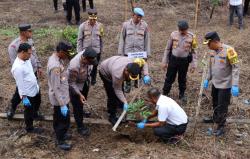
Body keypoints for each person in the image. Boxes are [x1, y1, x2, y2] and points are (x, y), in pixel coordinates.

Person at [203, 31, 240, 136]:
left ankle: (221, 127)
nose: (208, 46)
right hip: (215, 83)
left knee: (222, 106)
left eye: (209, 44)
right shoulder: (213, 51)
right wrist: (207, 79)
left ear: (215, 41)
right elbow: (211, 67)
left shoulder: (229, 50)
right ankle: (215, 118)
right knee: (215, 102)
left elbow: (236, 68)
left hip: (225, 84)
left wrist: (235, 85)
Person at [99, 56, 151, 125]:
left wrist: (146, 74)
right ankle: (112, 115)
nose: (131, 80)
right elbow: (118, 90)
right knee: (112, 94)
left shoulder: (136, 62)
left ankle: (121, 109)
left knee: (121, 91)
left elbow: (144, 63)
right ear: (126, 70)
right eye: (130, 77)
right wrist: (125, 102)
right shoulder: (117, 75)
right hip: (105, 71)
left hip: (116, 62)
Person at [7, 24, 43, 120]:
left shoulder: (30, 41)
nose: (31, 33)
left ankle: (35, 111)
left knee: (36, 91)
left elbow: (34, 55)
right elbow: (15, 62)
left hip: (32, 71)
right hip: (22, 74)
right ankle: (12, 107)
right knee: (20, 92)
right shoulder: (13, 46)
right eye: (29, 31)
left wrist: (38, 66)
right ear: (23, 32)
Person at [11, 43, 44, 134]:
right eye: (29, 53)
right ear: (22, 52)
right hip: (28, 93)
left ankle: (35, 114)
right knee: (28, 111)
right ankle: (30, 128)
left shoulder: (26, 59)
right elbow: (20, 85)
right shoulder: (17, 67)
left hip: (34, 88)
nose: (30, 55)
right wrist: (24, 97)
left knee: (37, 103)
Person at [162, 20, 198, 102]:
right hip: (173, 60)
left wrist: (194, 64)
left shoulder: (192, 37)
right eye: (181, 30)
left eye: (184, 30)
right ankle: (165, 93)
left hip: (184, 61)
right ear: (178, 29)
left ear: (187, 29)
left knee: (182, 78)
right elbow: (167, 48)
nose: (182, 32)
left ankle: (182, 94)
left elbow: (194, 51)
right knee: (169, 77)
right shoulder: (173, 35)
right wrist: (165, 62)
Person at [47, 41, 73, 150]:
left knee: (58, 118)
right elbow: (56, 87)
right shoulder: (55, 66)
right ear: (61, 52)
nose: (68, 56)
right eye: (67, 53)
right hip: (59, 98)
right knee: (63, 120)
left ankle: (60, 134)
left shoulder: (57, 59)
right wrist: (62, 104)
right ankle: (60, 140)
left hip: (62, 96)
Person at [68, 47, 98, 136]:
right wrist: (79, 94)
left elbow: (90, 68)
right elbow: (71, 83)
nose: (91, 64)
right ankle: (80, 127)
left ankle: (81, 110)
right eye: (89, 62)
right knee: (77, 106)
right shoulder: (74, 66)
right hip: (75, 86)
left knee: (82, 101)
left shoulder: (88, 55)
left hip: (84, 82)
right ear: (84, 59)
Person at [77, 8, 104, 85]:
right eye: (91, 19)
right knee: (86, 66)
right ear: (88, 17)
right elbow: (79, 40)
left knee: (95, 65)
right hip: (86, 51)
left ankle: (93, 79)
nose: (93, 21)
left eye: (94, 19)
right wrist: (79, 52)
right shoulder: (82, 26)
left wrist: (101, 51)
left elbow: (101, 40)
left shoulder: (100, 26)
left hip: (96, 50)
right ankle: (86, 78)